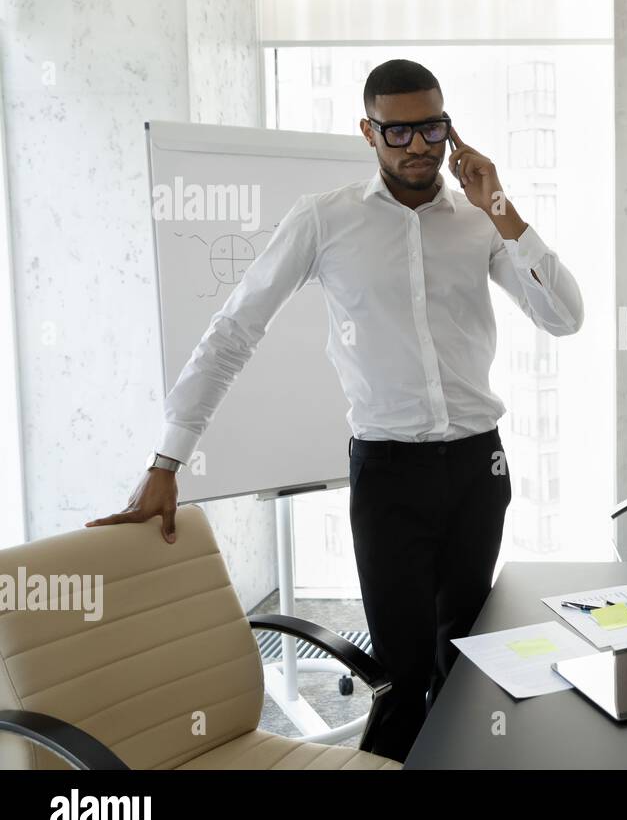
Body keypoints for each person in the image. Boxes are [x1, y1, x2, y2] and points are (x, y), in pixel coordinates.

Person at [87, 59, 584, 761]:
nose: (419, 146)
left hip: (481, 466)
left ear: (450, 127)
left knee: (468, 662)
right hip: (389, 475)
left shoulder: (480, 223)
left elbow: (564, 317)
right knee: (404, 675)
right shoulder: (325, 219)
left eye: (432, 127)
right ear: (368, 131)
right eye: (398, 131)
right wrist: (166, 458)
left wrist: (502, 206)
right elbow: (233, 330)